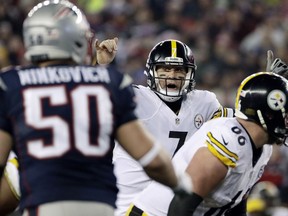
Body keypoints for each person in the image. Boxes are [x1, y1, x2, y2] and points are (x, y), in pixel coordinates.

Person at [0, 1, 192, 216]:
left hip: (41, 202)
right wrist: (181, 185)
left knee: (16, 166)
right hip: (98, 205)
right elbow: (150, 158)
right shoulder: (109, 82)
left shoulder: (10, 84)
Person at [124, 72, 288, 216]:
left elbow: (236, 205)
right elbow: (180, 205)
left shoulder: (262, 148)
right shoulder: (229, 141)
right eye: (286, 114)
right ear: (268, 114)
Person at [112, 39, 235, 216]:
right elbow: (91, 91)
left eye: (179, 69)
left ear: (189, 74)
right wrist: (98, 64)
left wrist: (266, 87)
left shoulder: (205, 103)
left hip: (174, 207)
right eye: (165, 68)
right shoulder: (134, 97)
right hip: (128, 206)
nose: (172, 75)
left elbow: (243, 120)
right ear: (152, 71)